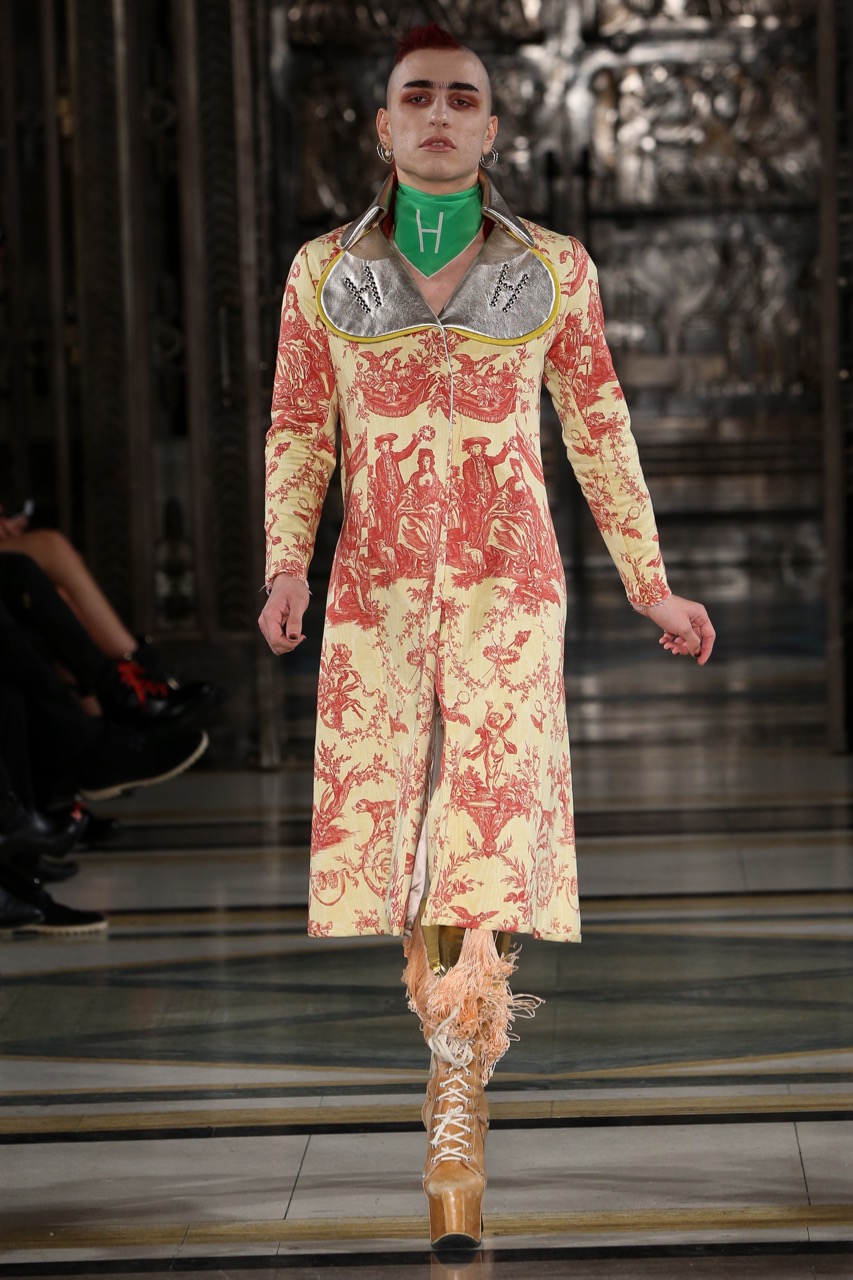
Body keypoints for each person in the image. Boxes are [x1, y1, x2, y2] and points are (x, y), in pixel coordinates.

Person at [259, 23, 715, 1251]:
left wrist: (650, 583)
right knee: (408, 835)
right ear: (382, 125)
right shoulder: (322, 273)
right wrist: (287, 562)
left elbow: (597, 423)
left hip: (509, 593)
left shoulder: (553, 269)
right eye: (417, 97)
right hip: (377, 595)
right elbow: (298, 427)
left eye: (463, 98)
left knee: (486, 828)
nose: (440, 114)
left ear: (494, 127)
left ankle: (457, 1082)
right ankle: (447, 1048)